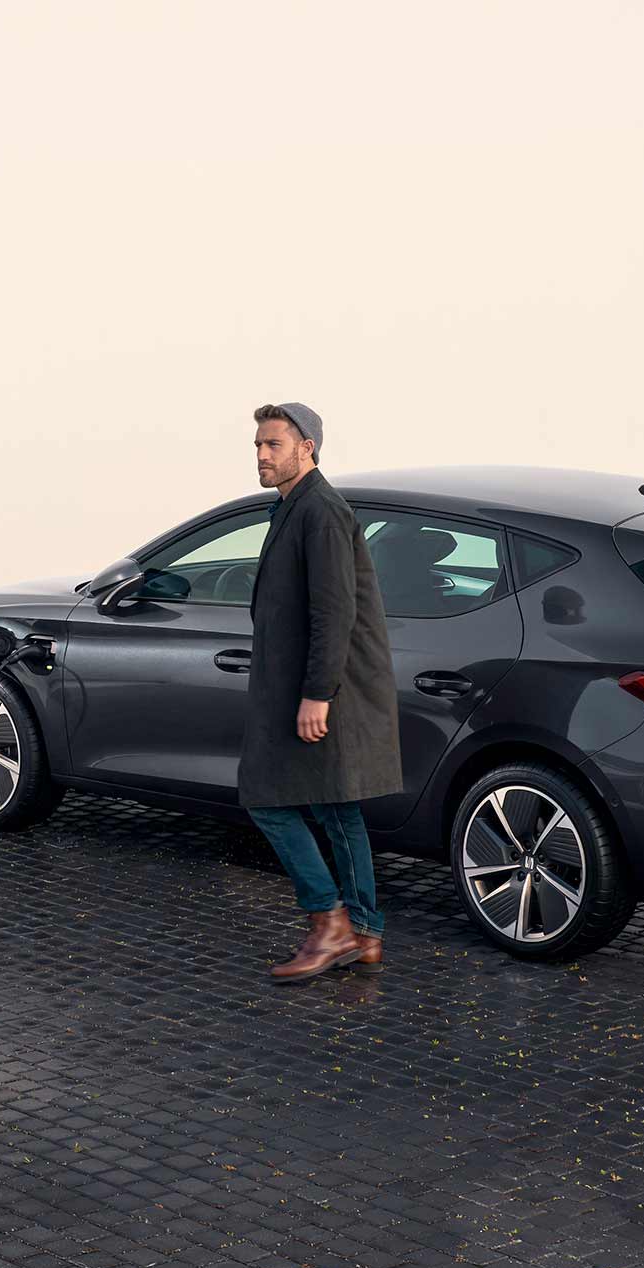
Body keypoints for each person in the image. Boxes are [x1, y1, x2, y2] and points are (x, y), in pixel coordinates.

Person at [239, 402, 402, 981]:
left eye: (273, 445)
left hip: (322, 692)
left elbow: (334, 612)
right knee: (336, 809)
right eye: (258, 444)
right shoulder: (295, 507)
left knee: (266, 798)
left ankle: (329, 924)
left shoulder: (321, 512)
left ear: (307, 447)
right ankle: (364, 932)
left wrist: (317, 694)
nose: (261, 455)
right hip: (317, 688)